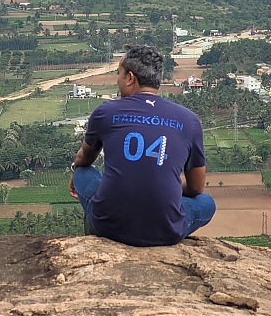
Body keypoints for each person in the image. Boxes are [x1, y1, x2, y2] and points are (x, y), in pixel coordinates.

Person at [69, 44, 215, 246]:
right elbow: (196, 188)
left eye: (119, 74)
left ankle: (94, 234)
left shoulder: (106, 112)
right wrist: (164, 182)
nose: (117, 80)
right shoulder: (189, 120)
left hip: (109, 226)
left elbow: (83, 159)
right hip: (166, 230)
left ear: (130, 78)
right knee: (207, 202)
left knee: (83, 172)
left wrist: (75, 171)